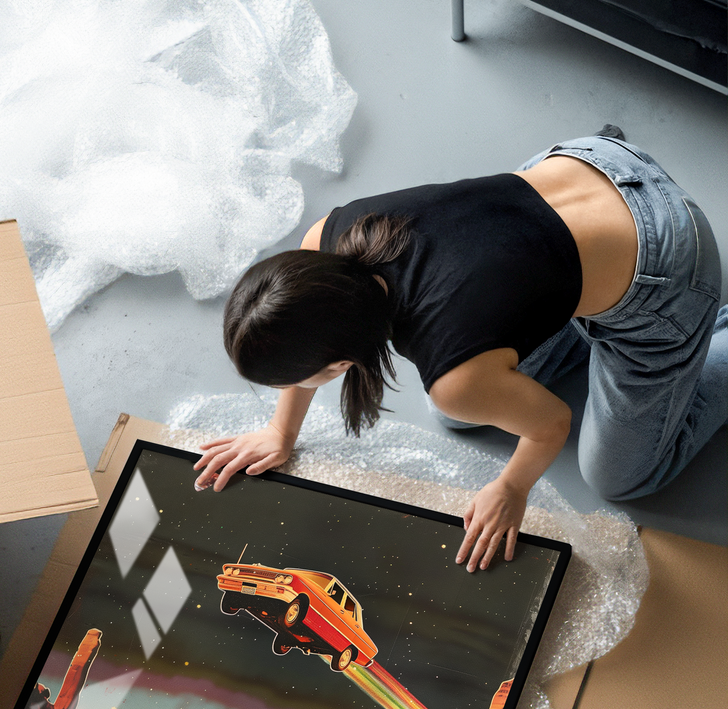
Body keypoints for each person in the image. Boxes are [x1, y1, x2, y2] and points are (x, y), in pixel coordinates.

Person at [194, 130, 726, 571]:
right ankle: (587, 311)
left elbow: (551, 424)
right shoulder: (325, 242)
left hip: (666, 256)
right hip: (584, 165)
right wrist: (279, 431)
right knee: (460, 414)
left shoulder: (457, 379)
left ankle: (704, 327)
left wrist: (511, 488)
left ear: (338, 366)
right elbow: (307, 326)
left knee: (619, 477)